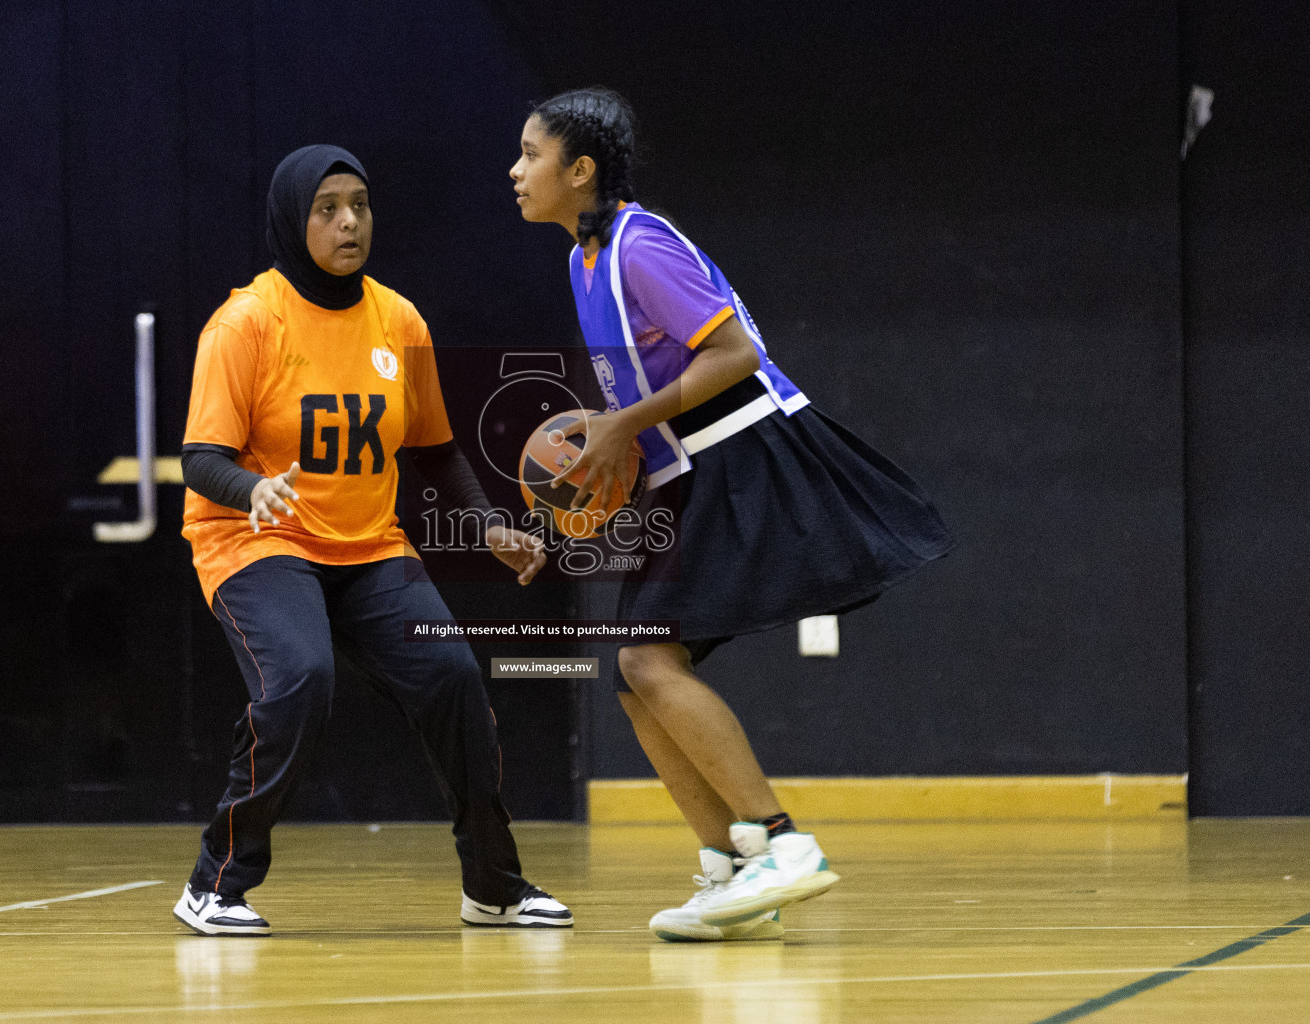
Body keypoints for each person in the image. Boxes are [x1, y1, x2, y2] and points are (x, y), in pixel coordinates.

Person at [509, 89, 954, 942]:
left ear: (581, 170)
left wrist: (625, 429)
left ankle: (782, 847)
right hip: (683, 466)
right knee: (640, 682)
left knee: (646, 661)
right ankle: (734, 865)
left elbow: (737, 354)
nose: (516, 171)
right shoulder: (582, 261)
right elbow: (629, 410)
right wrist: (569, 508)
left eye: (531, 155)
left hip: (744, 452)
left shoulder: (643, 245)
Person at [173, 144, 570, 936]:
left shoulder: (397, 318)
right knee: (299, 679)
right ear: (294, 218)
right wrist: (254, 488)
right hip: (257, 540)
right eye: (327, 208)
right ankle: (215, 884)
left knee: (453, 676)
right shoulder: (247, 322)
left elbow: (433, 446)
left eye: (359, 203)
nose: (349, 221)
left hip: (367, 546)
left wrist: (487, 523)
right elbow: (200, 460)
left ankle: (493, 885)